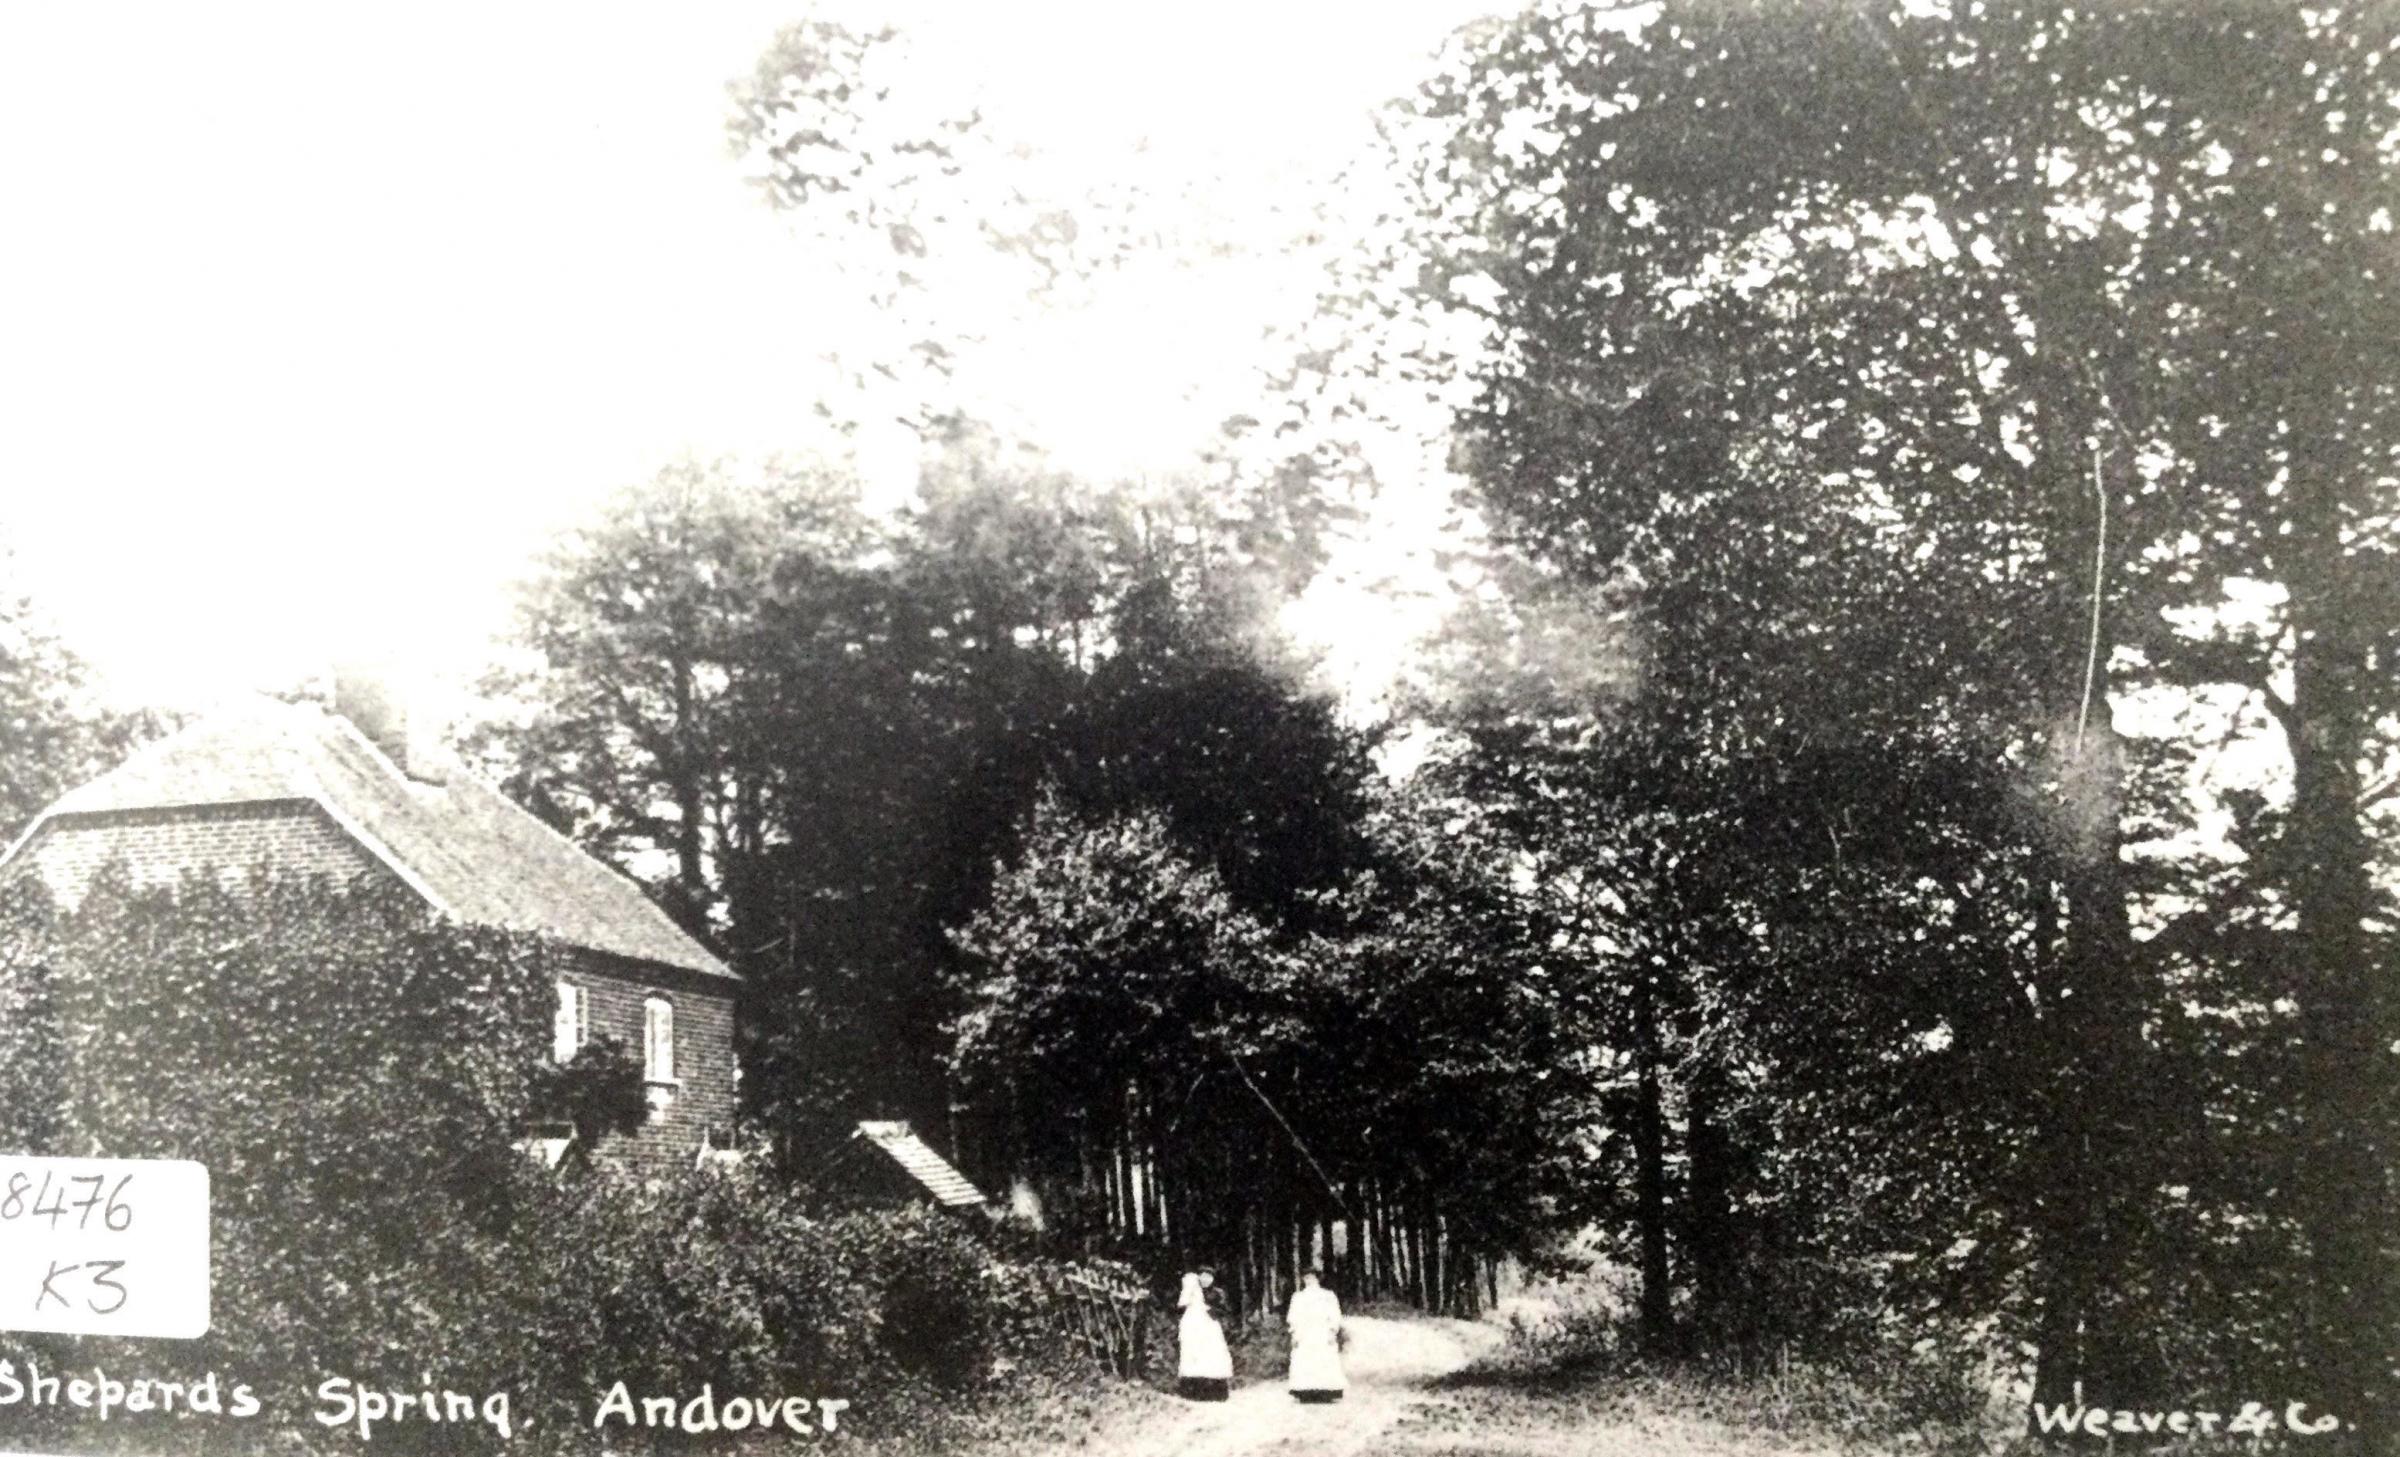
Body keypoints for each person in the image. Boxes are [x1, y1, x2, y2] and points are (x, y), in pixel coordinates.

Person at [1285, 1267, 1346, 1402]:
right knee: (1305, 1360)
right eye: (1306, 1277)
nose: (1309, 1280)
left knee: (1323, 1359)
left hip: (1322, 1332)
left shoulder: (1328, 1296)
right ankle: (1305, 1392)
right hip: (1305, 1333)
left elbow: (1335, 1315)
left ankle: (1325, 1392)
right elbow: (1293, 1317)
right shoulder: (1298, 1297)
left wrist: (1332, 1331)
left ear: (1318, 1278)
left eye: (1312, 1277)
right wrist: (1295, 1333)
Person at [1177, 1271, 1232, 1401]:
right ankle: (1198, 1389)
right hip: (1198, 1324)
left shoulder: (1216, 1293)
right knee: (1197, 1354)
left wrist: (1215, 1311)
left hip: (1208, 1322)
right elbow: (1182, 1303)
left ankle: (1216, 1390)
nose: (1206, 1280)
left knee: (1213, 1352)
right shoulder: (1195, 1290)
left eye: (1209, 1277)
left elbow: (1224, 1308)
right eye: (1203, 1276)